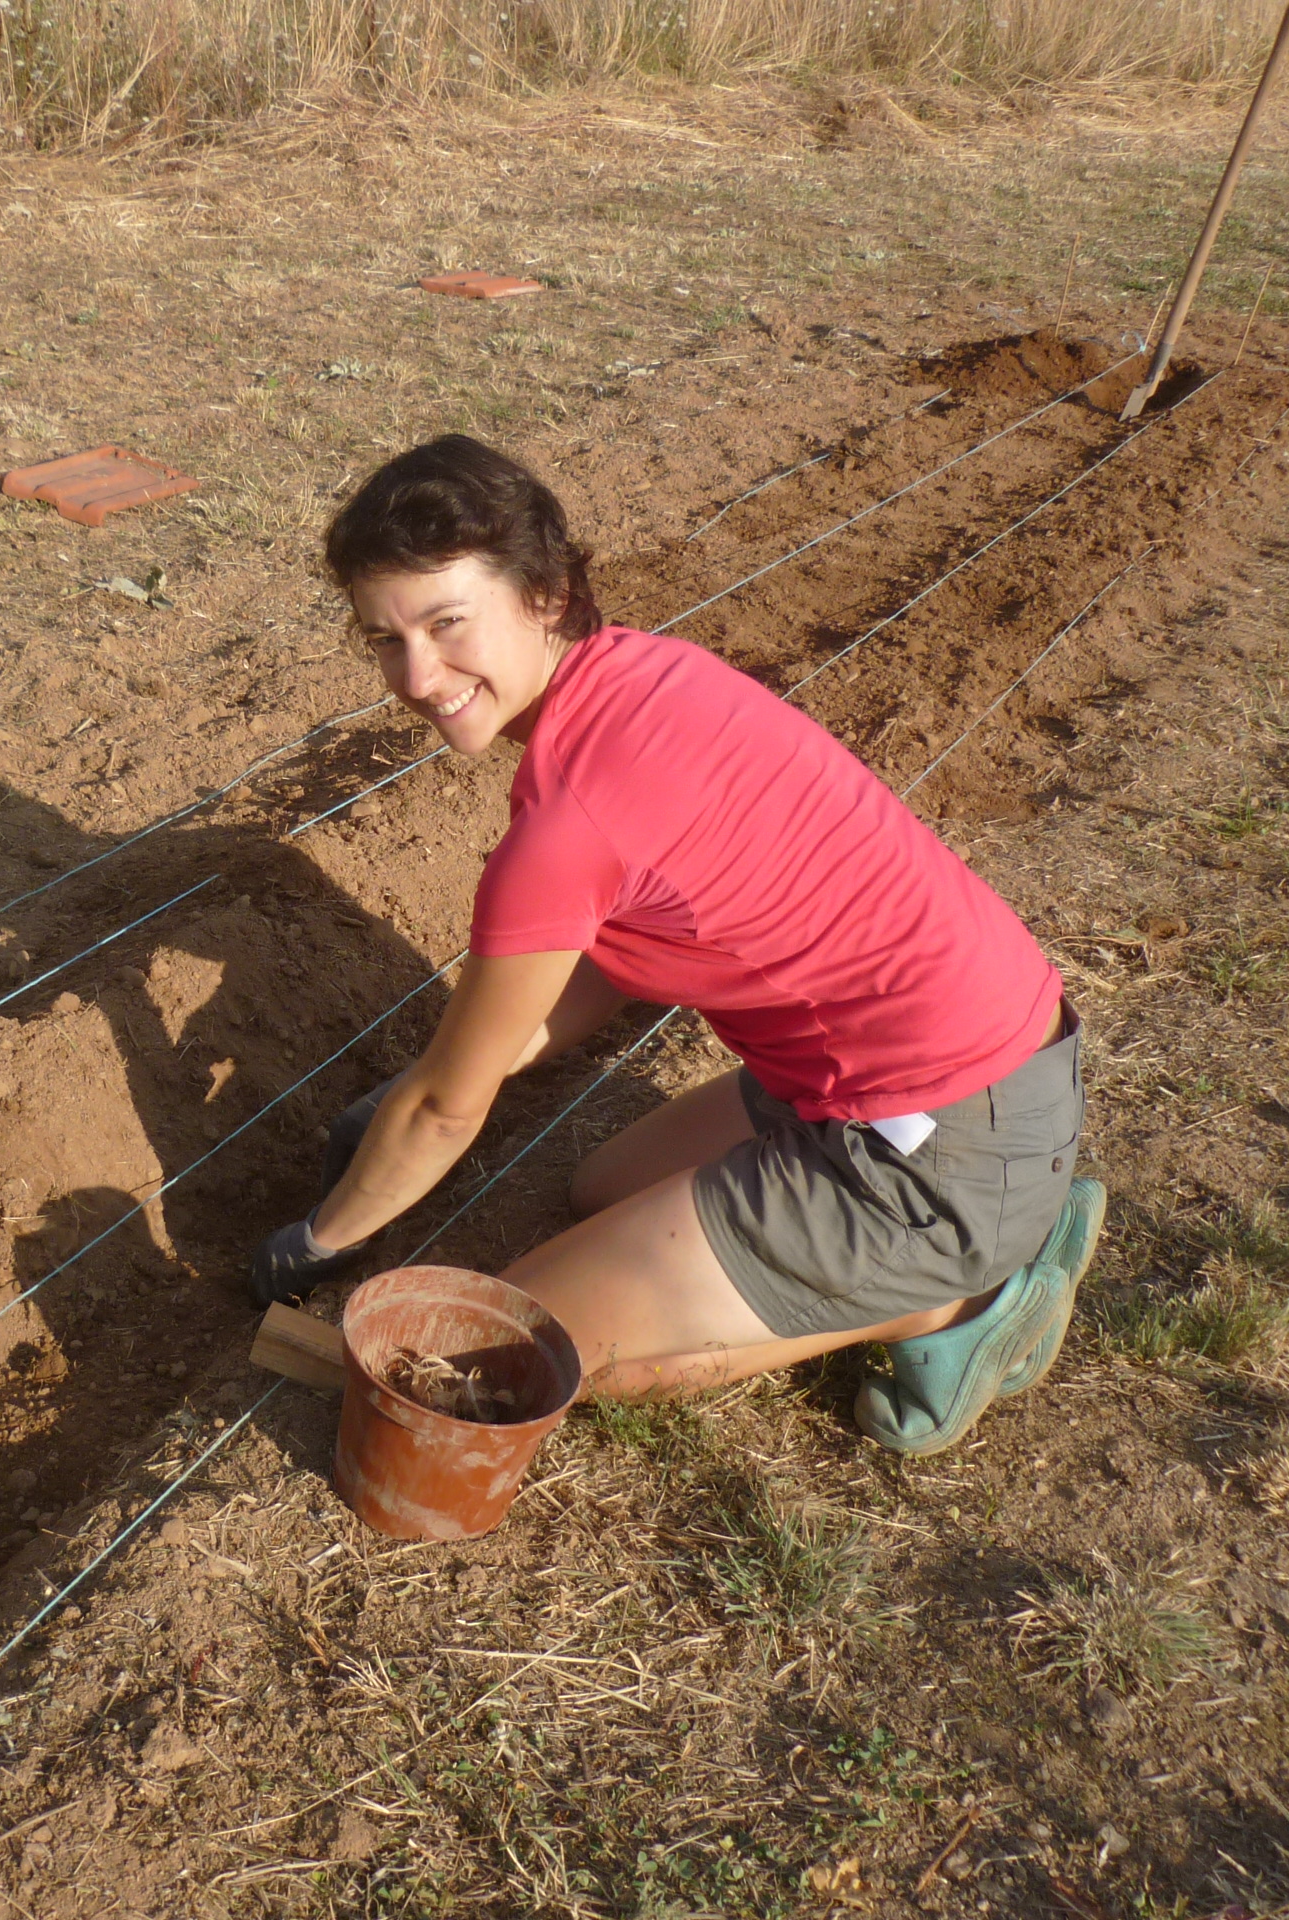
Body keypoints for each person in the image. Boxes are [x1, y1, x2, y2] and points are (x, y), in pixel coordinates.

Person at [247, 435, 1103, 1454]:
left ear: (547, 594)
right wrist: (448, 1078)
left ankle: (960, 1301)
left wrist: (314, 1243)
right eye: (385, 640)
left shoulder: (565, 827)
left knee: (520, 1356)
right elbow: (620, 949)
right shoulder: (646, 675)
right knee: (599, 1190)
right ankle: (964, 1237)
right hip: (988, 1068)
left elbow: (443, 1110)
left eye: (445, 623)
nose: (419, 675)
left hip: (939, 1149)